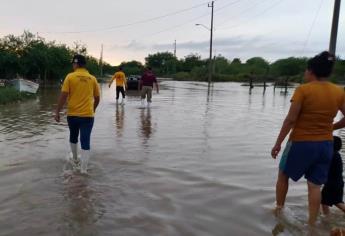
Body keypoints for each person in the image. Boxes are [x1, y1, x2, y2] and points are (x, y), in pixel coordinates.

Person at [271, 51, 345, 225]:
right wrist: (331, 127)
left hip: (300, 142)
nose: (305, 73)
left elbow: (290, 120)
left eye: (306, 70)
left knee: (283, 175)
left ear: (311, 71)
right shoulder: (338, 91)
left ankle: (279, 209)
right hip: (325, 145)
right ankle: (312, 225)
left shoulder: (303, 90)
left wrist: (278, 143)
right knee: (315, 185)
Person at [55, 54, 100, 174]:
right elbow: (97, 98)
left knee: (73, 137)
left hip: (73, 115)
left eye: (73, 64)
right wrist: (93, 109)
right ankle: (84, 170)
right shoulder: (92, 79)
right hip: (88, 116)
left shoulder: (70, 77)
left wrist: (57, 112)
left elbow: (63, 96)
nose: (72, 66)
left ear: (76, 64)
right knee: (85, 141)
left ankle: (75, 160)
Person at [321, 136, 345, 215]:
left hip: (331, 184)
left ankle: (326, 217)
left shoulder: (331, 155)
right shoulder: (336, 154)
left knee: (333, 202)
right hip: (338, 183)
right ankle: (327, 217)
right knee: (331, 201)